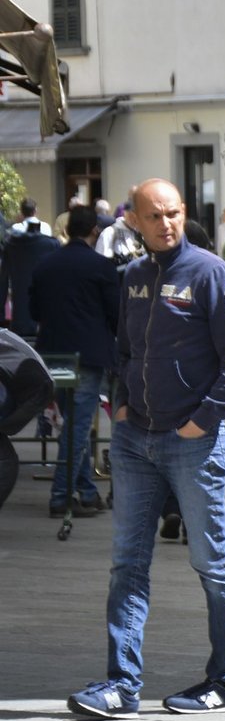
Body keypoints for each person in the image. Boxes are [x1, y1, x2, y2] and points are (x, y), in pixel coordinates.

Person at [66, 178, 225, 720]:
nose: (167, 224)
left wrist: (202, 422)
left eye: (174, 213)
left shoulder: (210, 272)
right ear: (135, 222)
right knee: (126, 564)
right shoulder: (131, 276)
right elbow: (124, 352)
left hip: (191, 444)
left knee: (211, 564)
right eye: (155, 216)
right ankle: (121, 685)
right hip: (134, 442)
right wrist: (122, 406)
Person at [29, 205, 120, 519]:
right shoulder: (101, 267)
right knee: (78, 429)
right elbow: (116, 314)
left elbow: (34, 312)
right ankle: (60, 496)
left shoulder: (45, 265)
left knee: (72, 426)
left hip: (54, 353)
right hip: (88, 355)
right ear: (94, 230)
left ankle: (87, 491)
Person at [1, 199, 59, 339]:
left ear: (21, 212)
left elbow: (3, 277)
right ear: (36, 210)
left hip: (20, 289)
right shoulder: (47, 235)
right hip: (43, 292)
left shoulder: (13, 236)